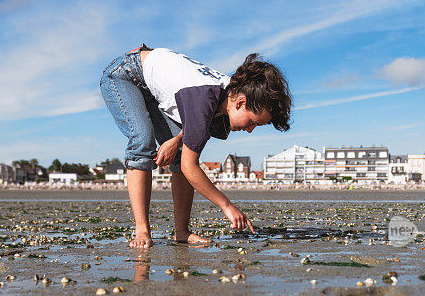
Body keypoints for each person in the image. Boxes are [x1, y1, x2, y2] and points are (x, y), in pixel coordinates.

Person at [100, 45, 291, 248]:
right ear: (240, 103)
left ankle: (181, 231)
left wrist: (177, 139)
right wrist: (227, 206)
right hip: (126, 74)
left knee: (181, 151)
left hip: (152, 86)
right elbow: (189, 167)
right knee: (143, 142)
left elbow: (195, 124)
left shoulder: (229, 92)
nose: (250, 129)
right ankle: (142, 230)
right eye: (253, 122)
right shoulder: (205, 97)